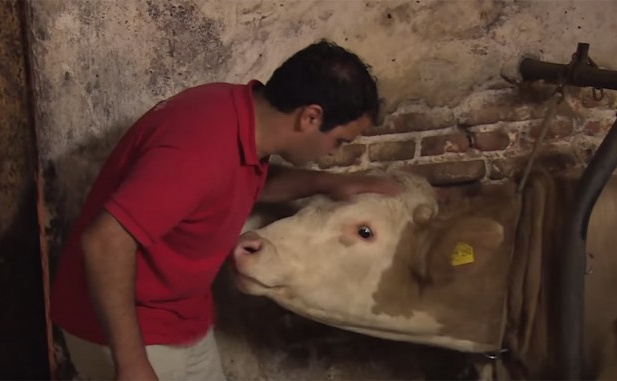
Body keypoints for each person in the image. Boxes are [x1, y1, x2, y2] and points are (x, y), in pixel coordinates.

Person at [49, 39, 401, 380]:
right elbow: (104, 242)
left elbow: (235, 182)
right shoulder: (199, 149)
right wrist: (132, 365)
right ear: (310, 117)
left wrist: (330, 184)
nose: (333, 153)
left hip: (182, 317)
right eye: (339, 141)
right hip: (133, 332)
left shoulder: (239, 114)